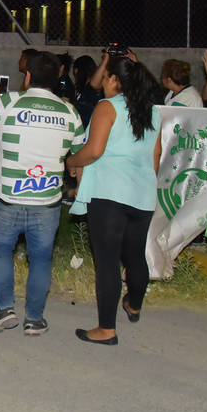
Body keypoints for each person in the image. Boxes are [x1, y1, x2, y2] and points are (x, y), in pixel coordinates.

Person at [0, 51, 85, 336]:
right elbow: (79, 155)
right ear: (58, 77)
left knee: (2, 251)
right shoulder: (69, 112)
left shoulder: (8, 102)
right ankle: (34, 319)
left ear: (27, 77)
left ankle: (4, 310)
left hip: (8, 198)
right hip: (47, 202)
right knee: (41, 259)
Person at [67, 56, 162, 345]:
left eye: (106, 76)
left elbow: (94, 150)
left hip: (110, 193)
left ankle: (106, 329)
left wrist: (72, 161)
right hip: (143, 194)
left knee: (107, 261)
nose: (103, 83)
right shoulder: (153, 111)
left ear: (115, 80)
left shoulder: (107, 107)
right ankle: (134, 304)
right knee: (135, 255)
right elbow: (155, 157)